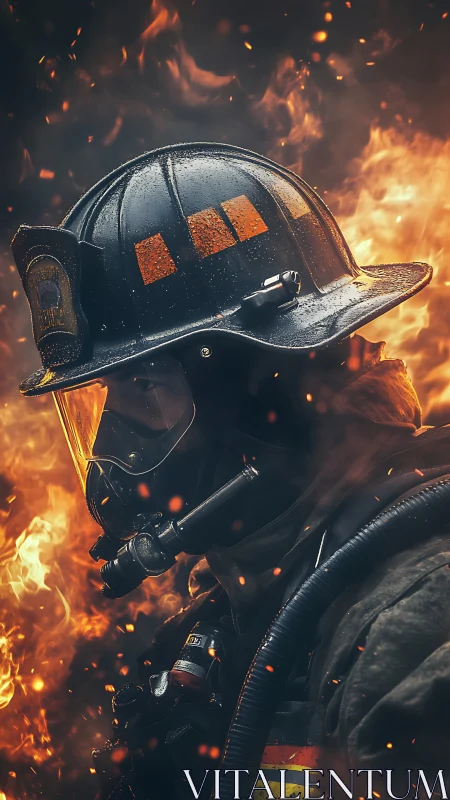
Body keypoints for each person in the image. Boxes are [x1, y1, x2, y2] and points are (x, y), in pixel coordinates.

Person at [11, 143, 450, 800]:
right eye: (97, 404)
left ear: (261, 396)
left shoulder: (412, 625)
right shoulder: (239, 610)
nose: (109, 449)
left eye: (144, 388)